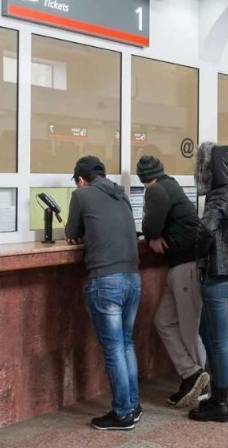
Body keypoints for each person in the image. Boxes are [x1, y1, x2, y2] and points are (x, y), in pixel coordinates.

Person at [64, 156, 142, 430]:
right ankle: (133, 405)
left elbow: (71, 232)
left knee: (113, 350)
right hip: (133, 278)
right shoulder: (121, 195)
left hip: (106, 279)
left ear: (82, 179)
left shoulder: (81, 195)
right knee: (127, 343)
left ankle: (122, 413)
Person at [137, 155, 209, 408]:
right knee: (163, 321)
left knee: (189, 327)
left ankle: (203, 387)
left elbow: (150, 226)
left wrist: (153, 235)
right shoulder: (171, 185)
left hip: (187, 265)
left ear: (143, 178)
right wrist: (154, 236)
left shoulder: (157, 189)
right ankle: (192, 375)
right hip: (180, 264)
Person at [189, 143, 228, 422]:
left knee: (218, 339)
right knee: (209, 332)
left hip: (217, 275)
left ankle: (220, 402)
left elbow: (205, 228)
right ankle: (217, 393)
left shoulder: (219, 197)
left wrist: (197, 252)